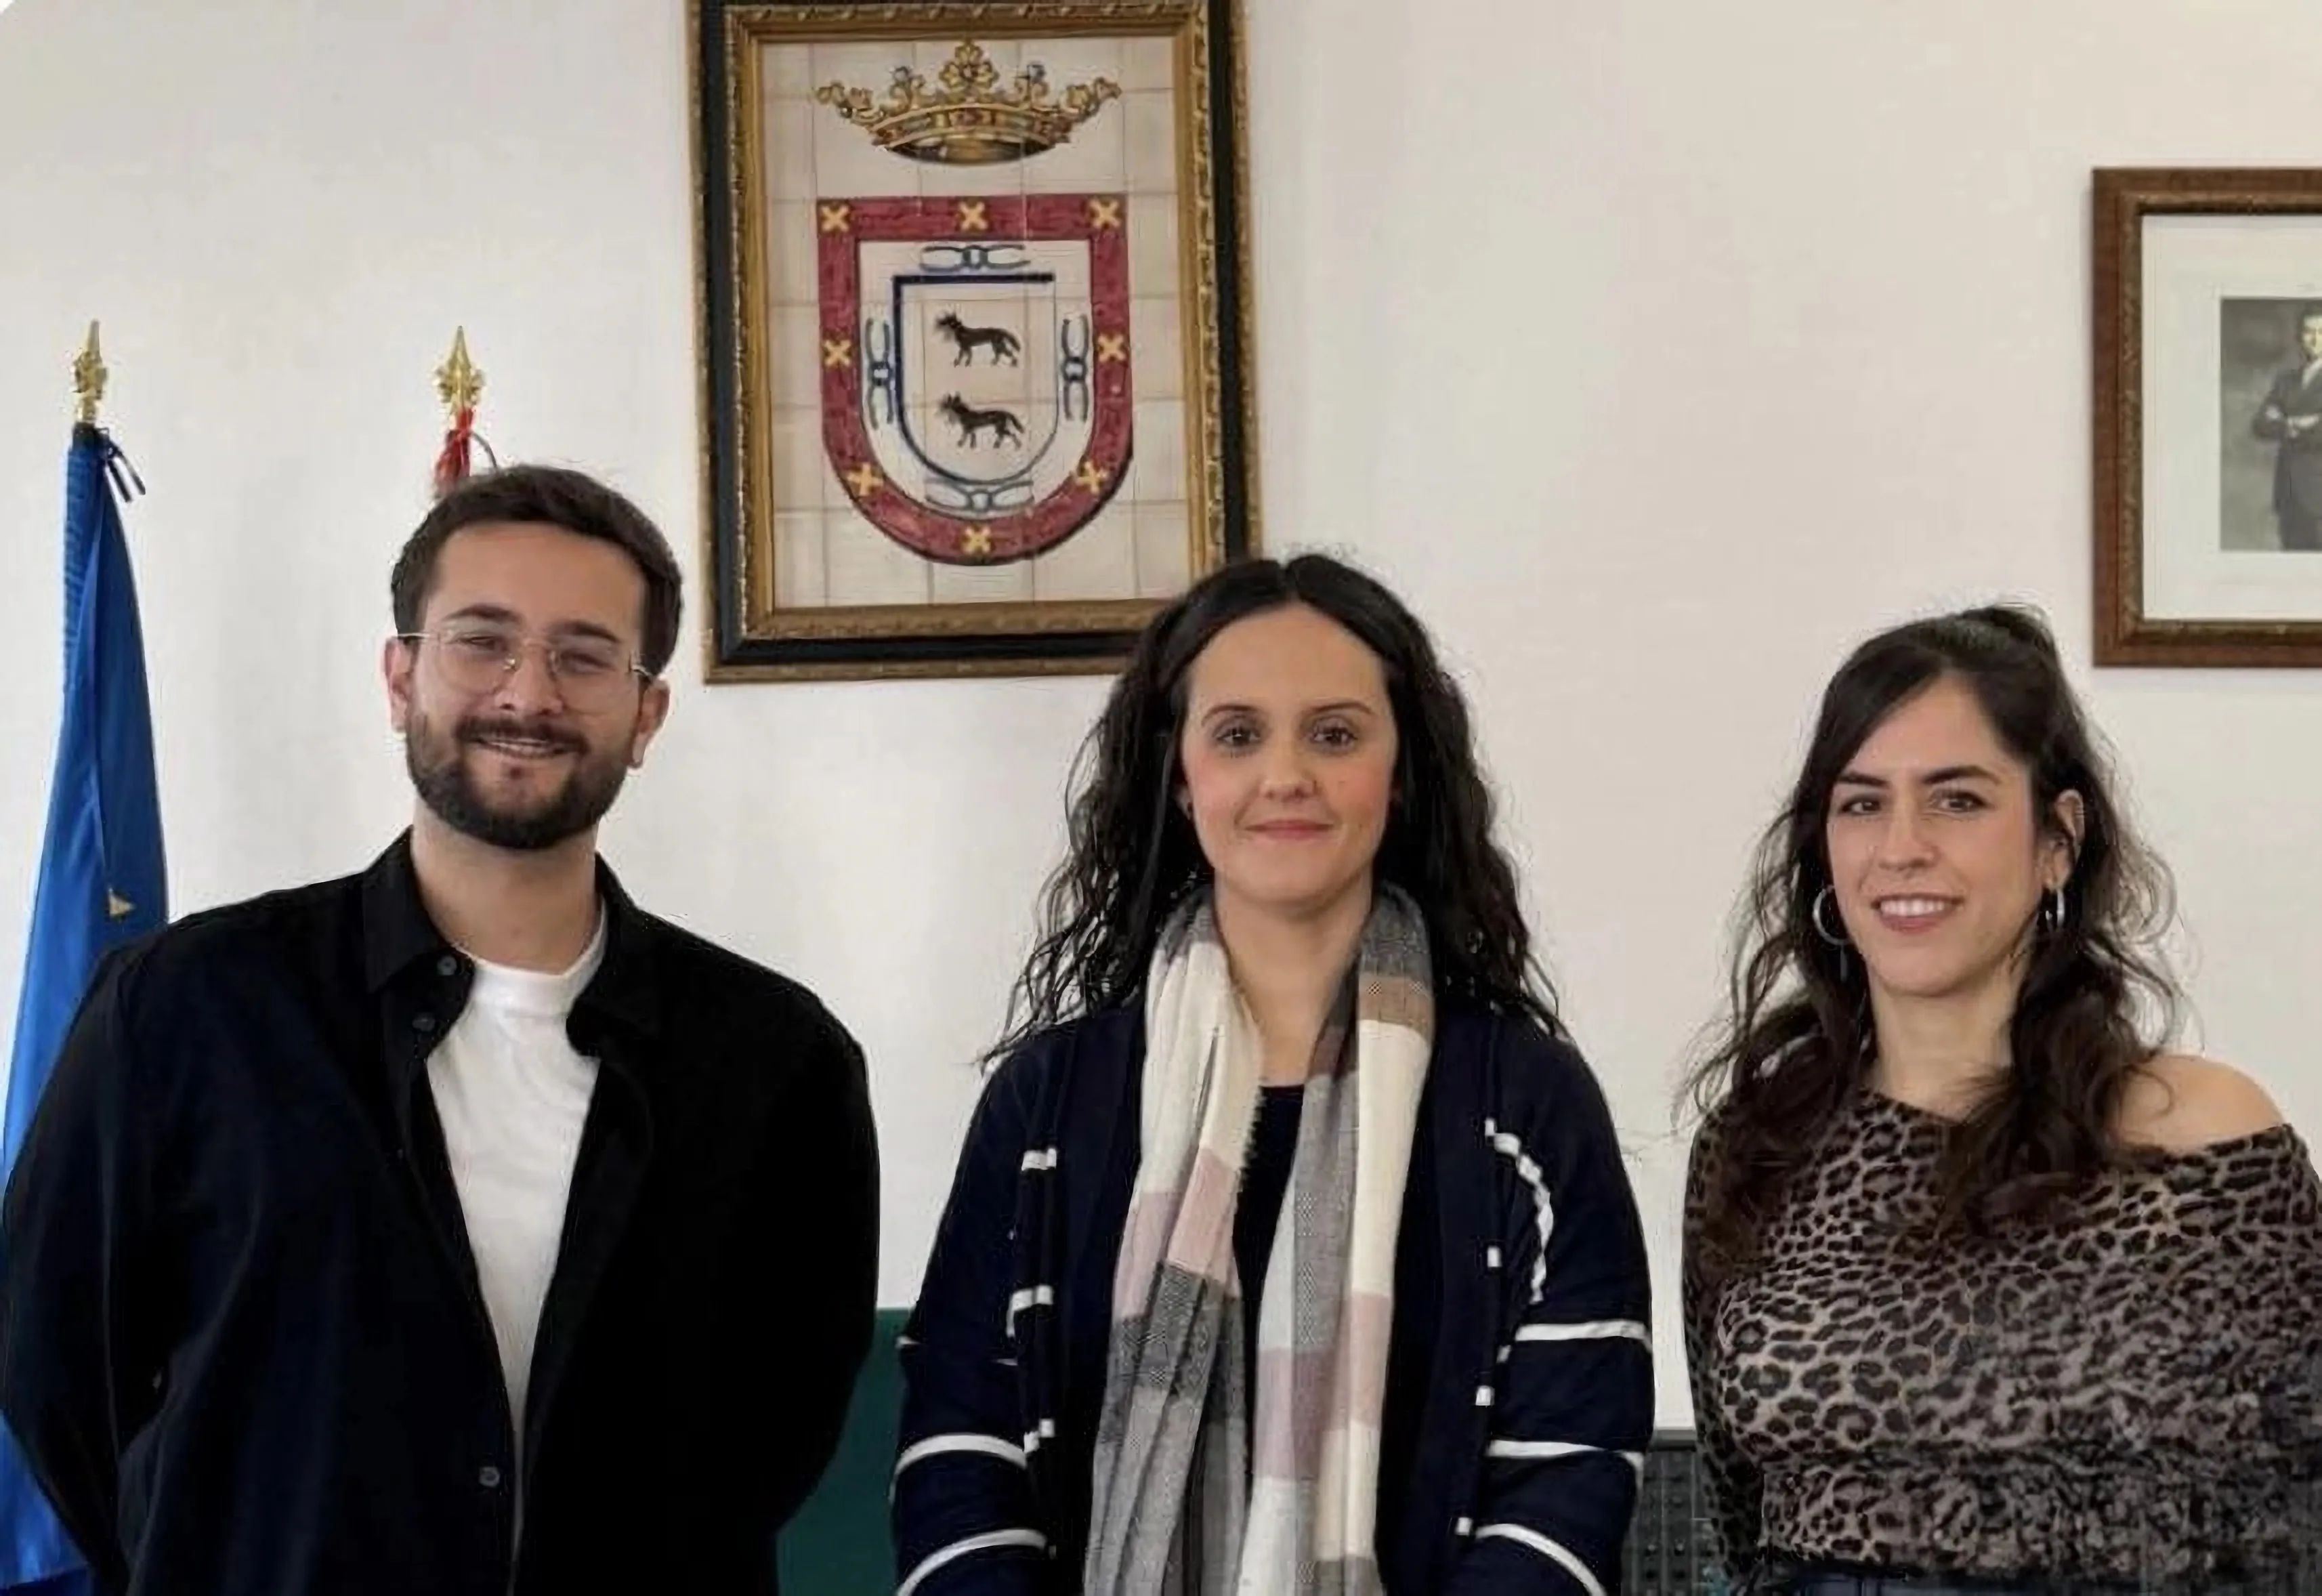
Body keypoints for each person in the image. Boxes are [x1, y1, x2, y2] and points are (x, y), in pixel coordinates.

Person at [0, 465, 881, 1595]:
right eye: (481, 640)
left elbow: (781, 1422)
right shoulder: (182, 1008)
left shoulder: (777, 1059)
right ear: (400, 675)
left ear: (645, 712)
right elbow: (58, 1363)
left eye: (583, 653)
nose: (529, 692)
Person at [892, 553, 1652, 1595]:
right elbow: (960, 1450)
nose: (1285, 774)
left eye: (1335, 734)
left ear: (1402, 771)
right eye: (1238, 734)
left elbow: (1572, 1466)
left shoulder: (1524, 1100)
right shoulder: (1047, 1100)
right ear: (1181, 773)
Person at [1682, 604, 2322, 1595]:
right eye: (1860, 804)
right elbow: (1739, 1507)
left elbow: (2296, 1513)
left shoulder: (2207, 1141)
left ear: (2058, 839)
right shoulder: (1760, 1143)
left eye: (1958, 801)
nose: (1901, 848)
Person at [2251, 303, 2322, 551]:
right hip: (2288, 495)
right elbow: (2260, 425)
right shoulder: (2286, 381)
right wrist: (2294, 424)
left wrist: (2282, 419)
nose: (2314, 339)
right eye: (2308, 332)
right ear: (2300, 337)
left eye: (2321, 332)